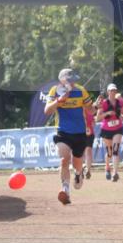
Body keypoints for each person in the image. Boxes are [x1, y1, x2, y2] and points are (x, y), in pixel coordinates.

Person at [43, 69, 92, 205]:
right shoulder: (54, 91)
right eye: (69, 80)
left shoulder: (81, 90)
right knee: (64, 159)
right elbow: (47, 110)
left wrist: (96, 106)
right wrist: (59, 101)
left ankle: (79, 173)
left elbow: (91, 109)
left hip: (79, 133)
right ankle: (65, 190)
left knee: (77, 163)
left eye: (73, 79)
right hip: (63, 131)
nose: (72, 82)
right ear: (61, 80)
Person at [97, 83, 123, 181]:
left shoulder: (120, 102)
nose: (113, 92)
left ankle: (115, 173)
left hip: (118, 128)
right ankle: (107, 167)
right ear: (108, 92)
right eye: (111, 90)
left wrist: (122, 117)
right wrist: (108, 113)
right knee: (109, 152)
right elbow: (98, 118)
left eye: (114, 90)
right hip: (106, 129)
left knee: (115, 150)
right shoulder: (104, 103)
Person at [83, 95, 97, 180]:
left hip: (89, 134)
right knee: (79, 152)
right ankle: (81, 168)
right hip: (79, 133)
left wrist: (92, 123)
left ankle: (88, 170)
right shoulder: (79, 110)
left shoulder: (90, 112)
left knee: (88, 151)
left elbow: (93, 123)